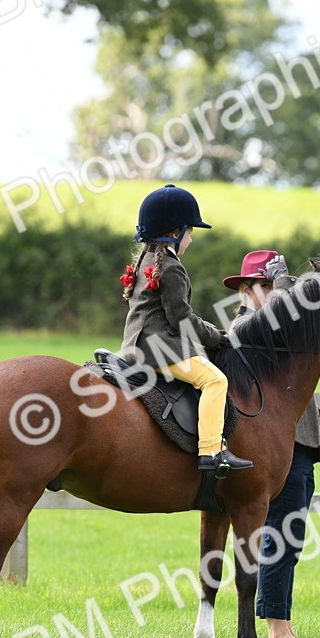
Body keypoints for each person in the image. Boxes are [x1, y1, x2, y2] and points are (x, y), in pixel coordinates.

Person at [224, 250, 320, 638]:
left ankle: (282, 619)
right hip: (271, 450)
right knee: (279, 534)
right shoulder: (244, 331)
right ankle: (276, 624)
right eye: (265, 285)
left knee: (292, 537)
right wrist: (285, 288)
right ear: (246, 290)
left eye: (272, 285)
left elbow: (301, 404)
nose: (272, 293)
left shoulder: (282, 342)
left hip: (300, 447)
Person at [121, 184, 253, 474]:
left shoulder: (145, 260)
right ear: (174, 233)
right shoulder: (171, 267)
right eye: (189, 232)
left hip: (133, 347)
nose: (191, 239)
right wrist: (215, 337)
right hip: (159, 350)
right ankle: (212, 452)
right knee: (215, 381)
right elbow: (181, 319)